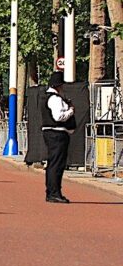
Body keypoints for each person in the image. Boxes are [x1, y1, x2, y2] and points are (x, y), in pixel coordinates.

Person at [42, 72, 76, 203]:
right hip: (57, 134)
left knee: (53, 163)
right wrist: (71, 111)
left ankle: (52, 191)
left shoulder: (48, 97)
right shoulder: (55, 99)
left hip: (52, 133)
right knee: (57, 164)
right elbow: (58, 117)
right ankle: (54, 193)